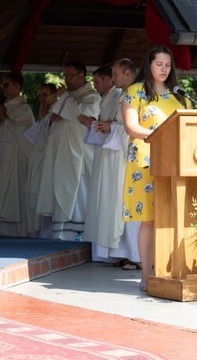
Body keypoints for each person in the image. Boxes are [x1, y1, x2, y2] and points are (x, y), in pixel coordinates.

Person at [121, 45, 190, 291]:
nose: (163, 69)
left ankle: (171, 272)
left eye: (167, 65)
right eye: (158, 64)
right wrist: (159, 135)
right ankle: (146, 275)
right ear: (148, 65)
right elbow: (131, 127)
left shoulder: (179, 94)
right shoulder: (135, 91)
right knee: (149, 219)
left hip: (175, 162)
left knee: (173, 218)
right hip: (145, 160)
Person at [82, 59, 140, 266]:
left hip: (125, 159)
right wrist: (99, 125)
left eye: (115, 74)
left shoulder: (137, 93)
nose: (113, 78)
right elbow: (116, 125)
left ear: (126, 72)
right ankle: (118, 252)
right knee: (111, 203)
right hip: (111, 156)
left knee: (124, 204)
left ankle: (133, 254)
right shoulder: (120, 95)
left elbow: (132, 127)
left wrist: (108, 126)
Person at [35, 61, 100, 240]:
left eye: (69, 76)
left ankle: (79, 235)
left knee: (79, 195)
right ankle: (60, 234)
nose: (66, 80)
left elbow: (82, 117)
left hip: (80, 160)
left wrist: (64, 100)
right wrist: (51, 119)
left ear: (81, 76)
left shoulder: (92, 97)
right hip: (60, 157)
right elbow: (50, 122)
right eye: (65, 76)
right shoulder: (67, 99)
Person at [0, 72, 35, 236]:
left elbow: (25, 133)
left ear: (17, 87)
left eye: (6, 85)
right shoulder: (5, 105)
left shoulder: (23, 108)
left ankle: (18, 233)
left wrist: (3, 116)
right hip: (1, 157)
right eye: (3, 85)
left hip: (15, 158)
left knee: (14, 191)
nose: (3, 88)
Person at [79, 65, 122, 256]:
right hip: (103, 157)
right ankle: (102, 251)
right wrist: (94, 125)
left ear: (108, 80)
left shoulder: (120, 97)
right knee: (100, 200)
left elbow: (121, 127)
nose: (95, 86)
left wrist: (97, 125)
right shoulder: (107, 99)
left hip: (115, 159)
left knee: (110, 200)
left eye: (97, 81)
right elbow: (106, 128)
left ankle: (113, 251)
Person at [24, 83, 58, 236]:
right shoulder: (45, 112)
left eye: (45, 95)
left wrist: (46, 120)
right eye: (40, 95)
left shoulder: (58, 110)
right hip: (40, 157)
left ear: (54, 95)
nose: (41, 98)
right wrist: (43, 118)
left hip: (52, 159)